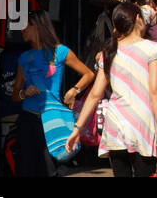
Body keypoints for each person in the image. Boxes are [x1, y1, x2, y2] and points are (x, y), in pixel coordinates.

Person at [66, 2, 157, 176]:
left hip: (115, 124)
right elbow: (155, 90)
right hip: (143, 124)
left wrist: (77, 128)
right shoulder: (152, 48)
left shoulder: (110, 51)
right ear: (137, 19)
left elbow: (95, 94)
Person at [10, 11, 96, 177]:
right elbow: (14, 95)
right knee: (24, 169)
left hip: (51, 120)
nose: (21, 30)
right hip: (28, 120)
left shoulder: (60, 52)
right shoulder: (24, 57)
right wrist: (24, 94)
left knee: (49, 170)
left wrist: (74, 90)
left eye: (24, 25)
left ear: (36, 25)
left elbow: (89, 74)